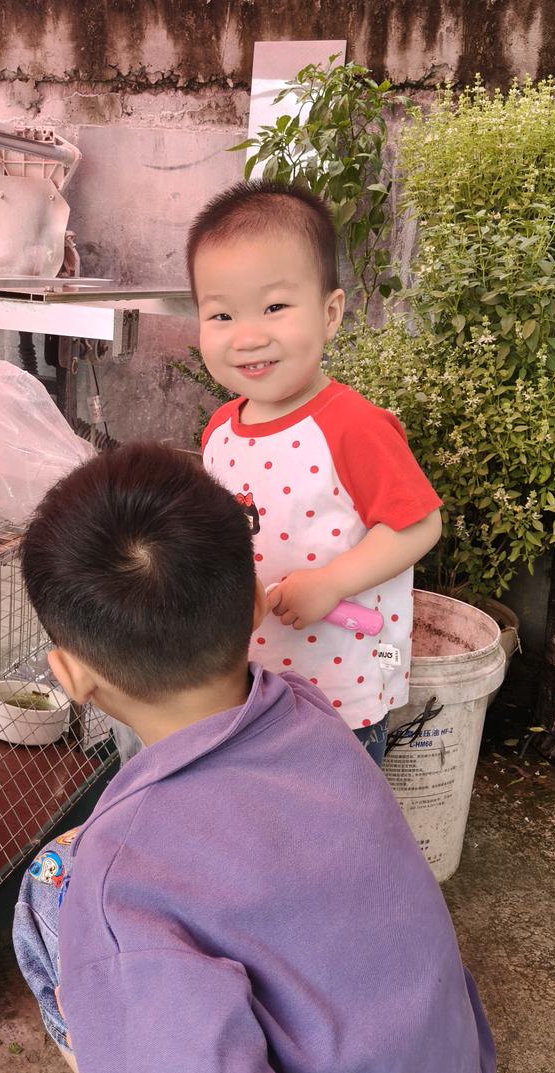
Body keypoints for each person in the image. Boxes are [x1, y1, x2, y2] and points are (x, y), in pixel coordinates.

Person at [12, 442, 494, 1073]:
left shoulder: (122, 884)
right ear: (258, 606)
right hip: (452, 1059)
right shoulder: (308, 710)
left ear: (71, 676)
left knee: (50, 888)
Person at [192, 180, 443, 764]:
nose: (249, 336)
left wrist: (329, 583)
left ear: (330, 313)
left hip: (337, 692)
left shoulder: (351, 426)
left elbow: (417, 526)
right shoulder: (219, 432)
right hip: (244, 682)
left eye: (275, 307)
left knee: (332, 828)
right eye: (222, 314)